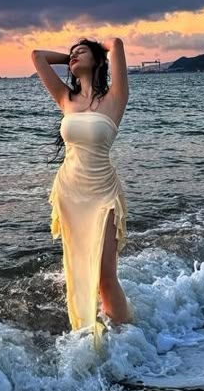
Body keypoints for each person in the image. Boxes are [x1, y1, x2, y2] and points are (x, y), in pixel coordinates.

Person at [31, 37, 133, 348]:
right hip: (70, 192)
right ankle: (87, 337)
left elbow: (115, 44)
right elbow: (37, 56)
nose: (74, 56)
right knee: (77, 269)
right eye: (72, 53)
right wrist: (71, 58)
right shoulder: (66, 97)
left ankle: (129, 338)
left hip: (103, 192)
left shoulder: (115, 98)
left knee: (105, 275)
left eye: (81, 51)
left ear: (98, 60)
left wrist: (99, 50)